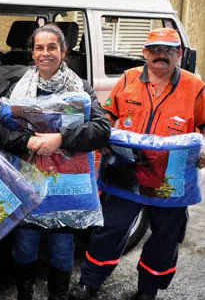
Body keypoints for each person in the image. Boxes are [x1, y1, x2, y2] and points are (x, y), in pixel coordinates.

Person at [69, 27, 205, 300]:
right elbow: (107, 114)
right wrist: (102, 135)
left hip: (171, 180)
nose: (161, 55)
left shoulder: (195, 87)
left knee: (165, 239)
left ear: (179, 54)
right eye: (155, 49)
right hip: (125, 174)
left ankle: (148, 289)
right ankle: (89, 283)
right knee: (109, 231)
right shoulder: (128, 78)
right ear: (144, 53)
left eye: (169, 50)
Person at [0, 23, 111, 300]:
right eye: (39, 48)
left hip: (67, 189)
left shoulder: (81, 88)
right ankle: (25, 294)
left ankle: (58, 296)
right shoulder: (18, 87)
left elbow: (102, 130)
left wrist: (61, 139)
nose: (45, 53)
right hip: (28, 184)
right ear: (32, 53)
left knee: (61, 249)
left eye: (52, 47)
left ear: (64, 52)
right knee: (24, 246)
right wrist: (26, 142)